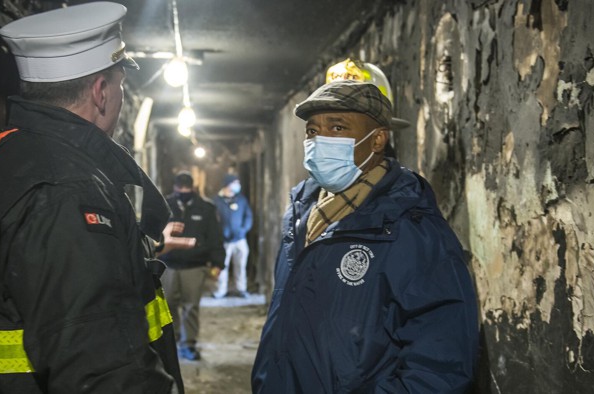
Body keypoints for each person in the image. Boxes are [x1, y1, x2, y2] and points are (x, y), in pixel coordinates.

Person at [0, 3, 184, 393]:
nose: (119, 97)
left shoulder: (8, 158)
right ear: (101, 92)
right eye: (120, 85)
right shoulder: (68, 193)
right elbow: (102, 369)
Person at [251, 79, 479, 393]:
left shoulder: (412, 229)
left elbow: (440, 365)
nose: (320, 140)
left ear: (377, 140)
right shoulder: (300, 214)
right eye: (313, 131)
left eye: (338, 128)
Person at [159, 172, 225, 361]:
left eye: (186, 189)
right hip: (168, 265)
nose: (183, 192)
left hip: (194, 266)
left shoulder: (205, 208)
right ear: (175, 187)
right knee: (168, 305)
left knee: (191, 307)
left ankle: (188, 345)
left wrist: (218, 262)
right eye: (180, 189)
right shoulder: (165, 205)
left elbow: (215, 236)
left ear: (192, 188)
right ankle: (171, 342)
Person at [212, 174, 254, 298]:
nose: (238, 185)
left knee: (241, 265)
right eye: (235, 183)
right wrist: (219, 232)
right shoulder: (216, 201)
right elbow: (212, 220)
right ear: (228, 184)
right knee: (222, 266)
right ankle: (220, 290)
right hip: (223, 240)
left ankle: (241, 289)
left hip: (240, 239)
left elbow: (248, 216)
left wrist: (243, 230)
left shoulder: (241, 199)